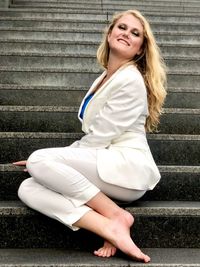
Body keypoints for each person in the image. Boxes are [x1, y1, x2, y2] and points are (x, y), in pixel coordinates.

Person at [13, 9, 167, 263]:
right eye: (122, 28)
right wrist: (51, 162)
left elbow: (99, 137)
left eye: (135, 33)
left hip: (125, 167)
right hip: (103, 160)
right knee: (28, 188)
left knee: (39, 160)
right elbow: (95, 137)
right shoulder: (106, 76)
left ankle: (117, 215)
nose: (126, 34)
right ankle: (106, 225)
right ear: (109, 34)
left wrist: (48, 161)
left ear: (140, 49)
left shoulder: (130, 79)